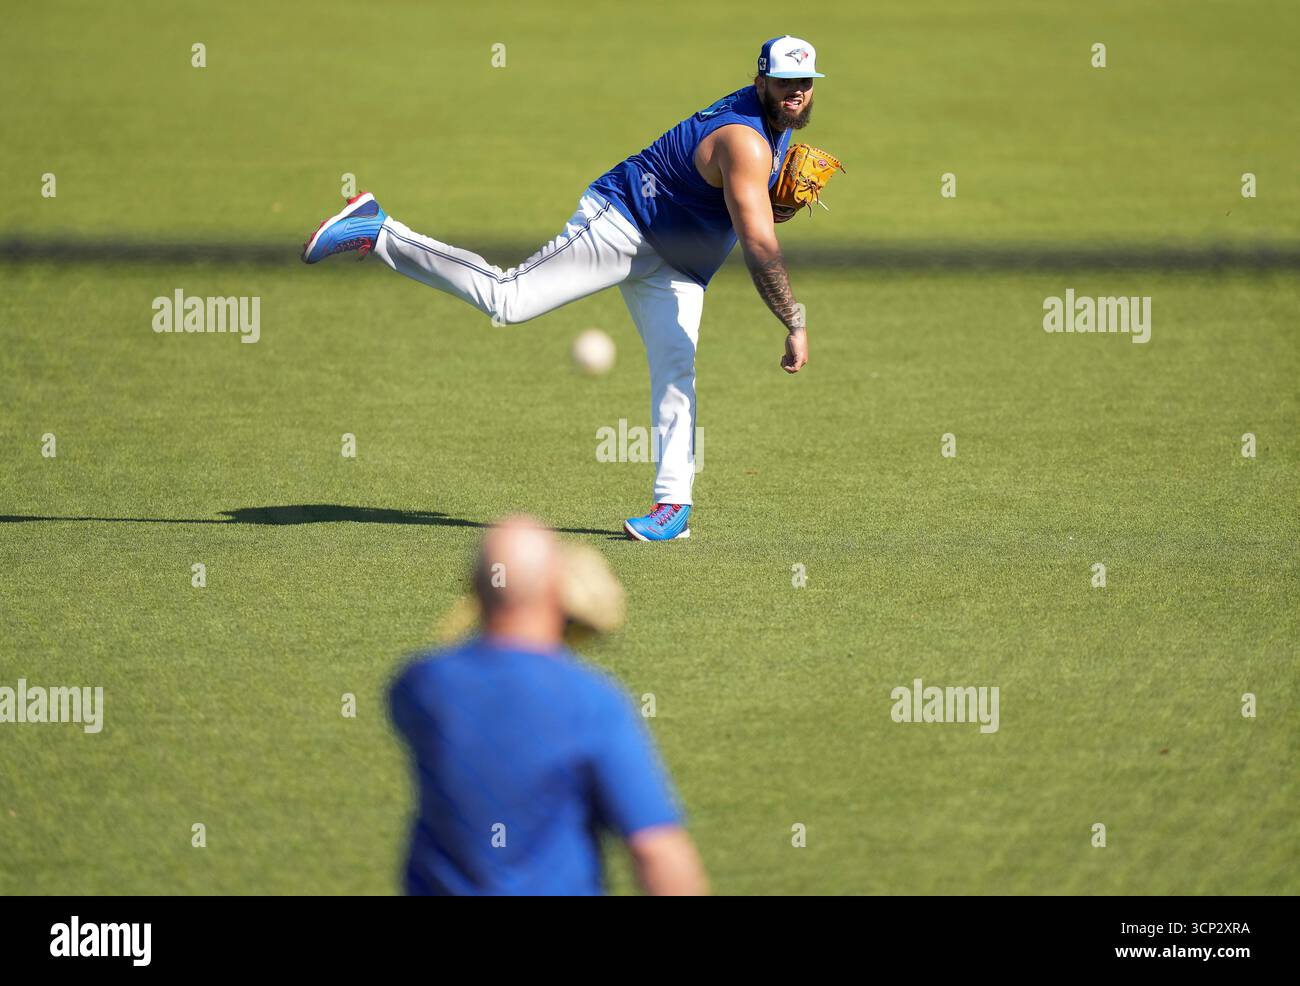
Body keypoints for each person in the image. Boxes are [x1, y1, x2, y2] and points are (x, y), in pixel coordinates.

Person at [303, 37, 827, 541]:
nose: (795, 91)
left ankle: (673, 506)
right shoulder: (748, 142)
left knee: (677, 368)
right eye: (784, 81)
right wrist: (794, 321)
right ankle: (380, 230)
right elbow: (759, 245)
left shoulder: (773, 127)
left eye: (804, 81)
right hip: (624, 224)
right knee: (508, 299)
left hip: (679, 263)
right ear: (760, 79)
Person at [388, 516, 708, 895]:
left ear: (475, 589)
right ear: (560, 590)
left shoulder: (421, 686)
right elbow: (655, 848)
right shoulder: (591, 703)